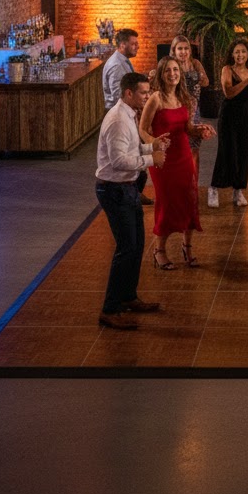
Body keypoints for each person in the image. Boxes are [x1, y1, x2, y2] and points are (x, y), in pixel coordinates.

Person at [94, 72, 170, 330]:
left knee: (136, 246)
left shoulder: (128, 115)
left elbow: (130, 149)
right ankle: (110, 309)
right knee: (126, 248)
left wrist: (152, 146)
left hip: (126, 188)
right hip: (114, 190)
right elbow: (118, 161)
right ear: (129, 93)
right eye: (143, 92)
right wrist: (151, 160)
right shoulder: (117, 120)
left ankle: (128, 296)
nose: (147, 96)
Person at [139, 55, 216, 270]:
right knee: (167, 201)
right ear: (161, 74)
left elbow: (187, 128)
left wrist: (201, 130)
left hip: (183, 155)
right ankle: (159, 250)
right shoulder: (156, 98)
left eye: (175, 70)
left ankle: (187, 247)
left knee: (189, 199)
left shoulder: (184, 97)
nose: (172, 74)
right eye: (168, 70)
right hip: (163, 158)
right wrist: (154, 143)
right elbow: (142, 129)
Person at [208, 39, 248, 209]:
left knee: (244, 152)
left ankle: (238, 190)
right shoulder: (227, 70)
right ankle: (214, 188)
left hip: (246, 115)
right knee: (226, 152)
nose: (240, 55)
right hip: (228, 115)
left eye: (243, 51)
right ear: (232, 54)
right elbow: (229, 93)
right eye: (237, 52)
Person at [101, 27, 153, 205]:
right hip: (119, 115)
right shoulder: (117, 65)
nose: (137, 46)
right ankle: (131, 194)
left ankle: (135, 193)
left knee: (135, 149)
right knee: (127, 153)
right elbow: (120, 94)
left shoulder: (123, 62)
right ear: (122, 45)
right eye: (134, 44)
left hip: (127, 113)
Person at [170, 34, 209, 170]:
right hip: (176, 110)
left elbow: (206, 82)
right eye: (180, 49)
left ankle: (193, 180)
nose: (183, 52)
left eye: (186, 48)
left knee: (194, 148)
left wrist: (197, 77)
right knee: (178, 148)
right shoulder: (171, 65)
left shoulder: (195, 63)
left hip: (194, 112)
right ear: (174, 50)